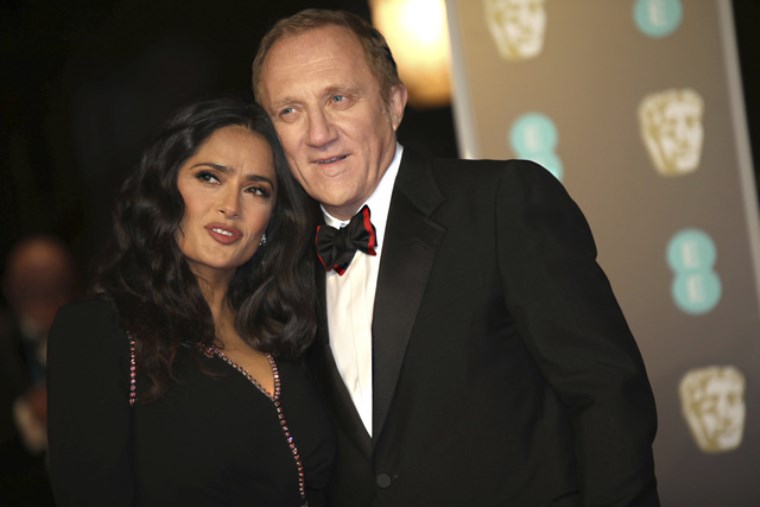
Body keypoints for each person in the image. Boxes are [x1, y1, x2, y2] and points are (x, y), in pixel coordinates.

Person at [252, 8, 659, 506]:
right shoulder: (281, 263)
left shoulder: (501, 202)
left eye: (339, 98)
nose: (318, 133)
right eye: (289, 111)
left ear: (393, 103)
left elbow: (608, 392)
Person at [46, 97, 334, 506]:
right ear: (165, 188)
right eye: (209, 177)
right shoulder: (99, 332)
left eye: (256, 190)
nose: (230, 207)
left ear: (272, 219)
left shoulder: (289, 334)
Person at [0, 234, 77, 505]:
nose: (45, 303)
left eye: (56, 289)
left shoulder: (93, 337)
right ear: (10, 289)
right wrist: (27, 413)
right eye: (33, 291)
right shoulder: (4, 342)